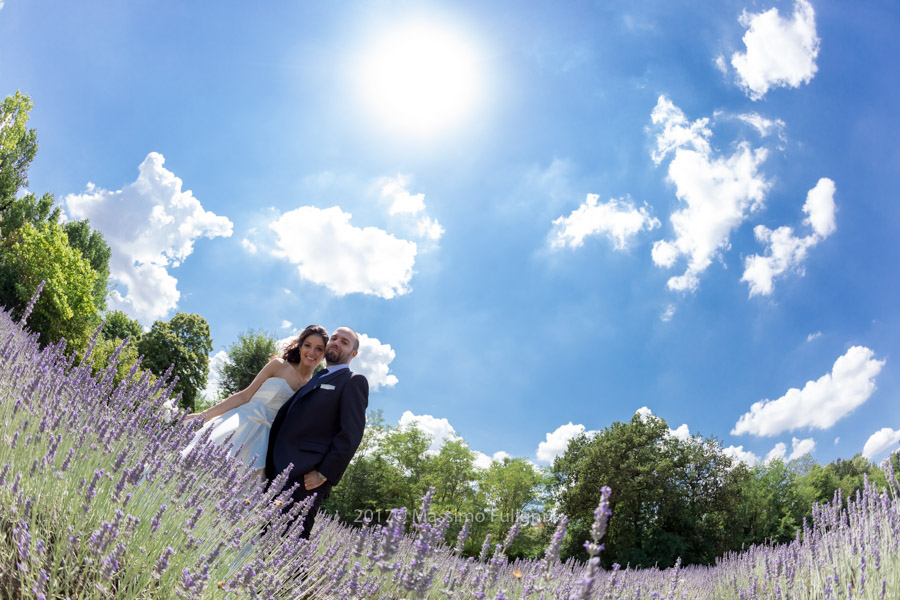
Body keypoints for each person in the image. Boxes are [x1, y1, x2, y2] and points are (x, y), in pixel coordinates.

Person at [183, 325, 329, 480]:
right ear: (300, 346)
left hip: (264, 444)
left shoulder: (313, 387)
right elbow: (244, 396)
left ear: (324, 354)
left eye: (319, 349)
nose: (312, 352)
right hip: (239, 424)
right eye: (308, 345)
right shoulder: (278, 366)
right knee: (205, 465)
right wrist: (204, 415)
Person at [265, 326, 369, 539]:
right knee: (264, 539)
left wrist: (324, 473)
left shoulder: (353, 381)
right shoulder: (316, 378)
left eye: (345, 342)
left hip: (306, 480)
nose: (336, 343)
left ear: (354, 354)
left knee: (288, 548)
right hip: (278, 472)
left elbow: (351, 434)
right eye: (334, 338)